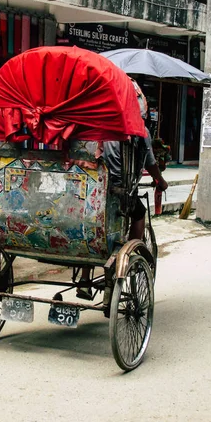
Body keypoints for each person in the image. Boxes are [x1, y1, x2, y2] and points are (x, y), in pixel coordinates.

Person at [76, 78, 168, 300]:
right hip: (118, 191)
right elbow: (150, 163)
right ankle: (132, 253)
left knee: (90, 225)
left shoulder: (91, 123)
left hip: (87, 190)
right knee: (138, 213)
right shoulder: (139, 130)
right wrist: (160, 181)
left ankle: (85, 279)